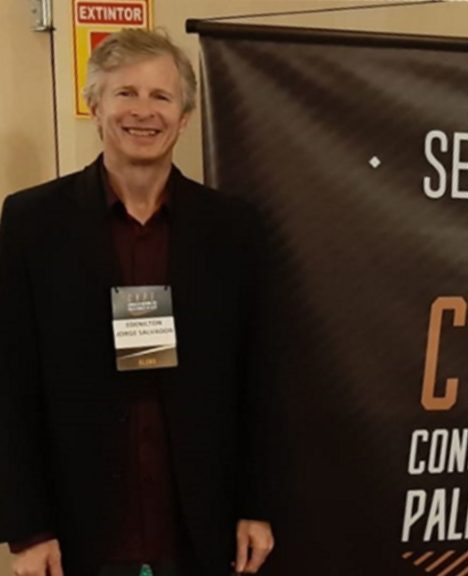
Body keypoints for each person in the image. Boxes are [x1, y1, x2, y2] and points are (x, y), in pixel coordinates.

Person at [0, 29, 275, 576]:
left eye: (161, 96)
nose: (143, 111)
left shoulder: (233, 229)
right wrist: (28, 529)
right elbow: (10, 382)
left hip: (203, 528)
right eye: (125, 93)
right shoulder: (32, 223)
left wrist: (257, 506)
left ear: (184, 117)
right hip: (78, 532)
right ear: (95, 106)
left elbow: (259, 379)